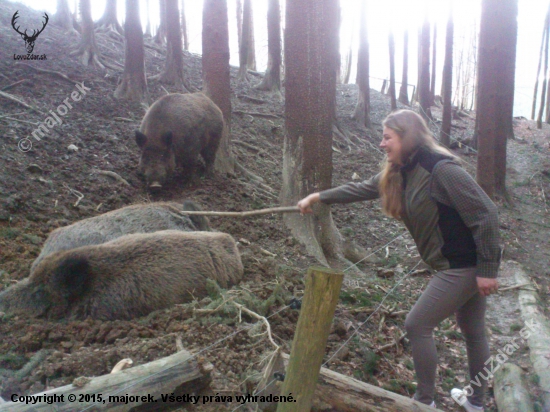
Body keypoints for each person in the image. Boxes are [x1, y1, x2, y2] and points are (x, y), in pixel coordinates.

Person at [297, 109, 499, 411]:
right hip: (454, 265)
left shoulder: (441, 169)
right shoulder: (401, 169)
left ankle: (424, 402)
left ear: (407, 137)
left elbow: (486, 214)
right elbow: (364, 188)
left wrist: (487, 270)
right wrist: (319, 197)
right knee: (473, 330)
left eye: (387, 137)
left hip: (463, 266)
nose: (382, 143)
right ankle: (476, 403)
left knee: (417, 324)